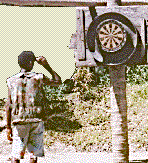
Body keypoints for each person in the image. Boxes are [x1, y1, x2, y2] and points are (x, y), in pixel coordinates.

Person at [5, 51, 62, 163]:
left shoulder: (11, 81)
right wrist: (46, 65)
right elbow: (57, 81)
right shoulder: (38, 78)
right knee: (33, 155)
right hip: (36, 119)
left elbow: (8, 105)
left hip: (19, 120)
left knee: (16, 154)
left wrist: (8, 126)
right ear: (31, 62)